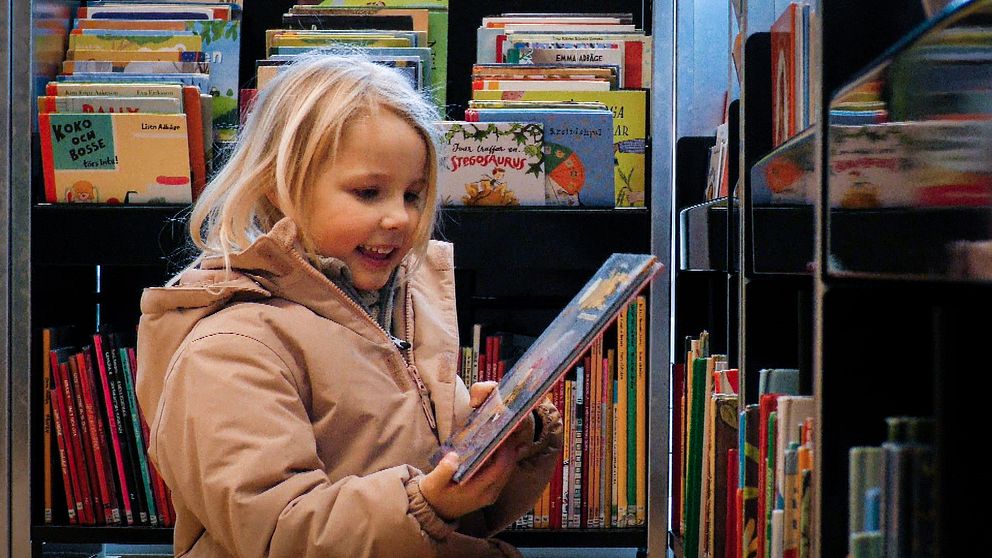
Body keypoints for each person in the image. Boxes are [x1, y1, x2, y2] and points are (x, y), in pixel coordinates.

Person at [135, 54, 562, 558]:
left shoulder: (396, 312)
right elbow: (279, 534)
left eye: (412, 195)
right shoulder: (231, 347)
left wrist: (503, 445)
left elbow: (467, 519)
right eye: (368, 192)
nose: (399, 218)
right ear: (281, 183)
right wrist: (425, 505)